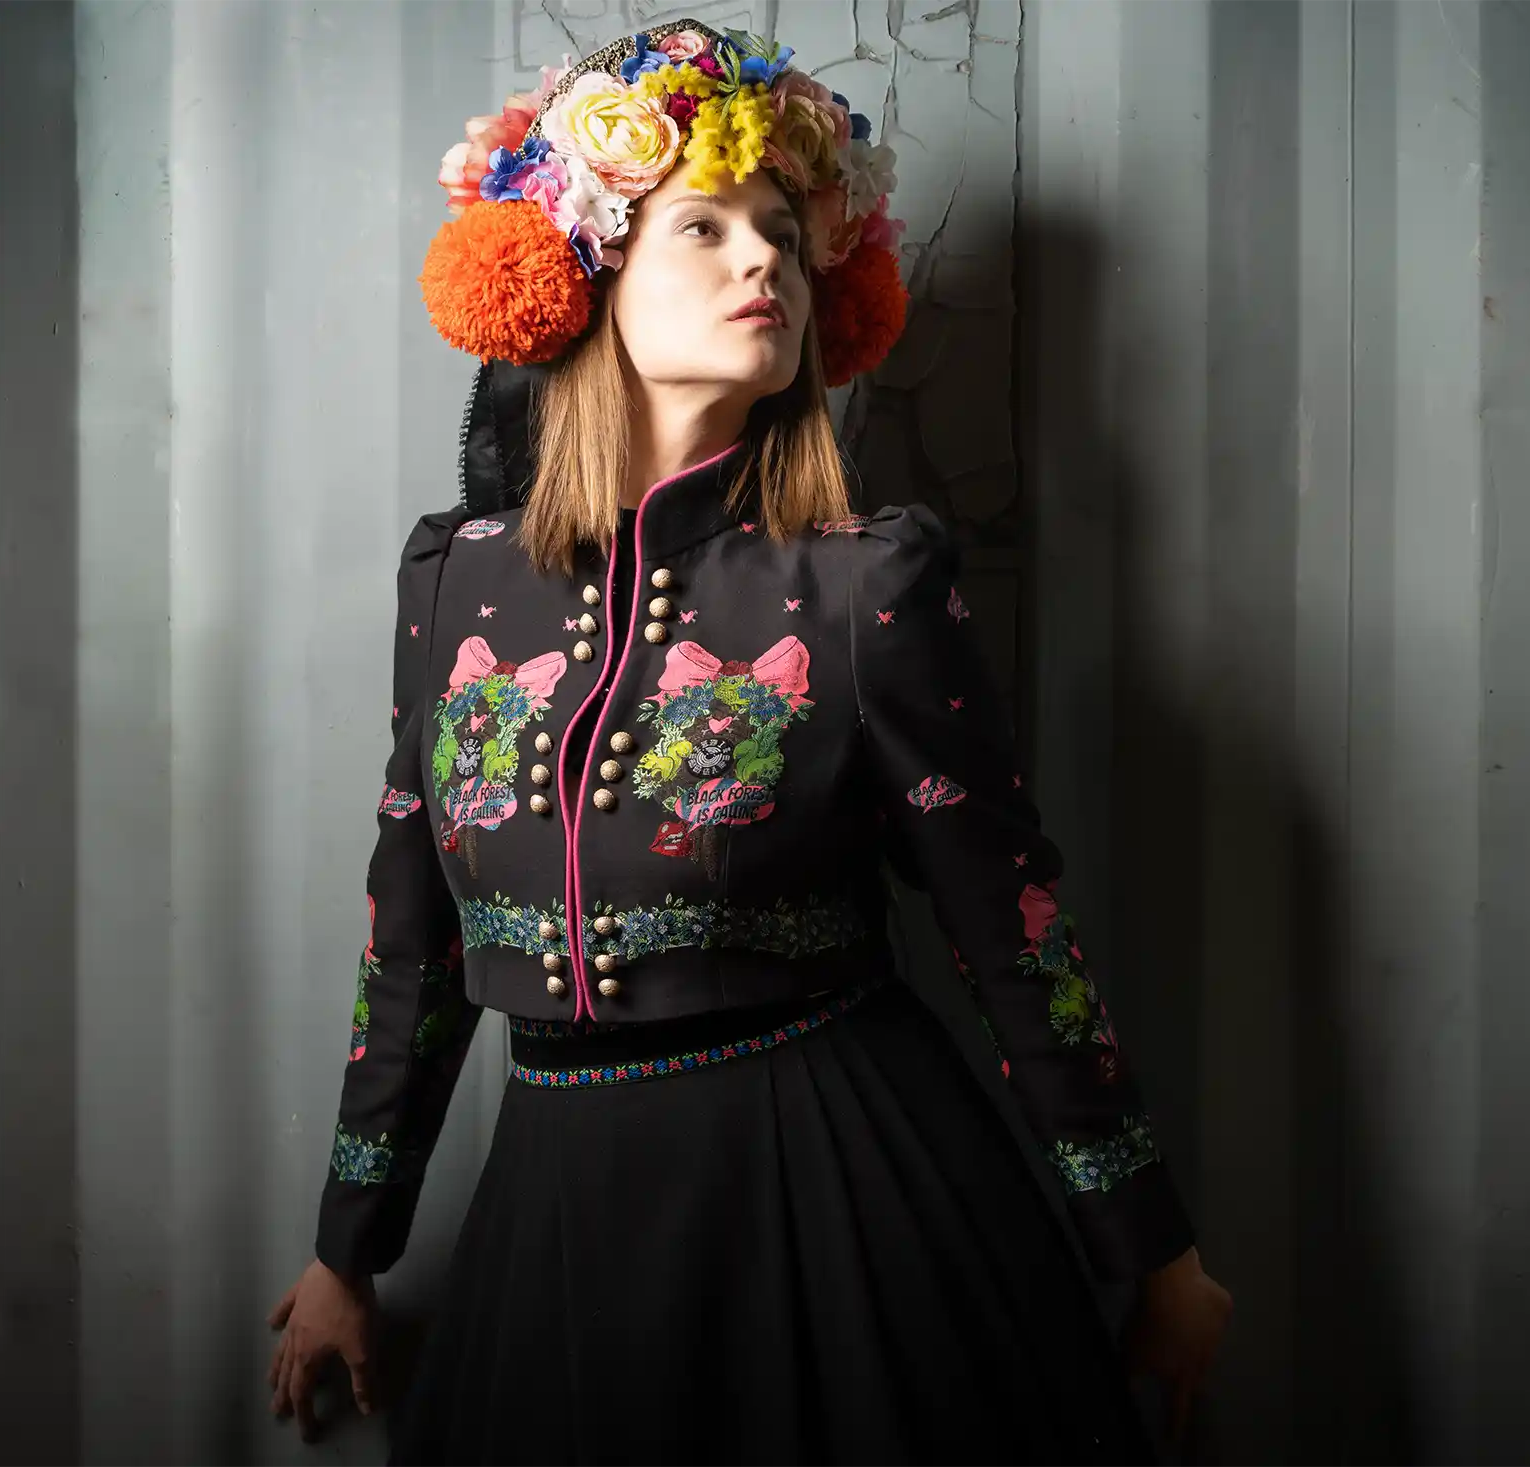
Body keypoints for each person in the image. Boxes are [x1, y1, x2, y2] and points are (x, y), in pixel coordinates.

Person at [264, 21, 1229, 1462]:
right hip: (557, 1206)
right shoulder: (458, 581)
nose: (762, 262)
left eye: (784, 232)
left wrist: (1155, 1252)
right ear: (581, 275)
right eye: (703, 227)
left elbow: (1014, 935)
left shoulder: (863, 585)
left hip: (837, 1192)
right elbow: (411, 942)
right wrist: (349, 1248)